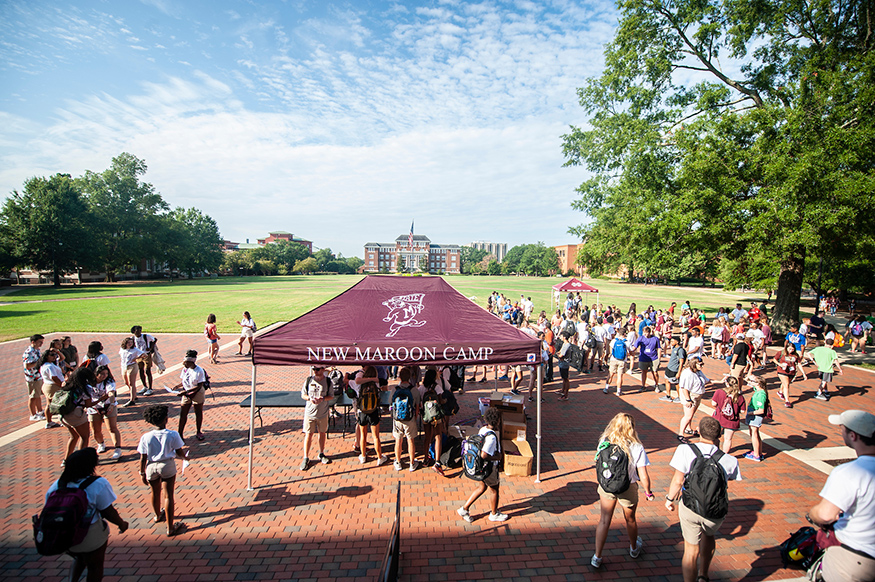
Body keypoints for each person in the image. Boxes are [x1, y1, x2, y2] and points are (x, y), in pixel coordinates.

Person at [665, 417, 742, 582]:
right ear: (718, 435)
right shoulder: (730, 460)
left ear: (698, 431)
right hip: (715, 510)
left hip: (691, 506)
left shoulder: (685, 450)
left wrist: (669, 499)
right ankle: (704, 575)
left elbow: (678, 480)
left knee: (690, 550)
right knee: (709, 536)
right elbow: (730, 479)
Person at [806, 410, 875, 582]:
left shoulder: (849, 472)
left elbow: (825, 514)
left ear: (853, 436)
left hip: (856, 558)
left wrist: (812, 514)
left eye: (842, 429)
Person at [44, 448, 129, 582]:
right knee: (95, 566)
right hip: (90, 534)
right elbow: (108, 511)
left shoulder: (57, 485)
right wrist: (121, 524)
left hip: (64, 535)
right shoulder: (98, 484)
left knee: (79, 557)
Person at [590, 413, 653, 569]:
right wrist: (648, 491)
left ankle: (597, 556)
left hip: (607, 485)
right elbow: (643, 474)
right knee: (630, 519)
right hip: (628, 486)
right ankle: (633, 547)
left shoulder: (604, 442)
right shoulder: (636, 446)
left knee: (604, 520)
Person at [137, 405, 186, 536]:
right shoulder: (172, 434)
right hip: (167, 465)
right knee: (168, 495)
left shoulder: (146, 436)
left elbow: (143, 457)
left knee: (154, 492)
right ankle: (170, 527)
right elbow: (179, 451)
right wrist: (184, 458)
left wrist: (142, 472)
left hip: (151, 466)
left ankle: (157, 515)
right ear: (166, 419)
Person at [457, 407, 508, 523]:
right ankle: (494, 514)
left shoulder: (483, 430)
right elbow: (484, 454)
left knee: (482, 487)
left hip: (479, 467)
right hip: (488, 468)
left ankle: (464, 508)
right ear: (497, 421)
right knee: (494, 489)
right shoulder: (492, 437)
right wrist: (497, 457)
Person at [60, 368, 110, 462]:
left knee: (74, 436)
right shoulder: (85, 388)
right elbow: (88, 405)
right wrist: (101, 399)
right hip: (76, 414)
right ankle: (80, 461)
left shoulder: (66, 384)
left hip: (63, 414)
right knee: (84, 437)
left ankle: (66, 460)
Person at [354, 366, 389, 466]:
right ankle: (380, 457)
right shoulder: (376, 383)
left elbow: (355, 381)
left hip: (363, 411)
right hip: (373, 411)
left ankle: (363, 456)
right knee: (376, 436)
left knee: (363, 435)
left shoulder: (361, 384)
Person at [87, 365, 123, 460]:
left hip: (108, 406)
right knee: (95, 430)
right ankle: (101, 443)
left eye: (106, 374)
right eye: (102, 374)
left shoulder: (109, 382)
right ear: (96, 374)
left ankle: (117, 448)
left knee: (112, 428)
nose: (104, 376)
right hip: (94, 407)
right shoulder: (89, 383)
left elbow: (111, 392)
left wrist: (111, 404)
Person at [300, 365, 332, 470]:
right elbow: (303, 395)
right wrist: (309, 398)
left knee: (322, 433)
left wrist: (322, 399)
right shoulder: (309, 380)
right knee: (308, 434)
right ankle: (306, 457)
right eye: (314, 369)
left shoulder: (328, 381)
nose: (315, 371)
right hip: (310, 413)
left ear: (323, 369)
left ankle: (321, 453)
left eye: (317, 369)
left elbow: (331, 396)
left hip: (322, 413)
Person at [171, 350, 206, 441]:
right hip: (186, 393)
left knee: (198, 412)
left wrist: (186, 392)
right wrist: (177, 386)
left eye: (186, 363)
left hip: (197, 393)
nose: (184, 364)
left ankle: (198, 431)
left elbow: (199, 386)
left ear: (192, 362)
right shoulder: (185, 369)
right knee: (183, 413)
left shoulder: (199, 371)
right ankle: (180, 433)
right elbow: (184, 380)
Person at [391, 367, 421, 472]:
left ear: (399, 377)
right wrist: (415, 418)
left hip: (398, 419)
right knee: (410, 440)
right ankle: (412, 463)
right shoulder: (414, 390)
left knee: (398, 440)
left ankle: (398, 462)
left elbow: (391, 405)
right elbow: (417, 407)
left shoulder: (394, 390)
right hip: (410, 418)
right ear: (410, 377)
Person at [711, 376, 745, 454]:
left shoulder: (719, 392)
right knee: (728, 439)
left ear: (727, 383)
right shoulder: (739, 397)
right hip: (732, 421)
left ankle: (715, 452)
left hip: (719, 417)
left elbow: (713, 403)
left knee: (715, 436)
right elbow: (742, 411)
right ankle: (724, 454)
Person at [677, 359, 710, 440]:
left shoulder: (698, 372)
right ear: (694, 364)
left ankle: (688, 429)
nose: (702, 366)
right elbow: (684, 388)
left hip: (698, 396)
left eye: (702, 364)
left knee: (691, 415)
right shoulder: (688, 374)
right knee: (688, 416)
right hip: (691, 396)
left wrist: (720, 381)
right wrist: (688, 400)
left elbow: (707, 381)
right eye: (700, 364)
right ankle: (681, 434)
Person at [744, 376, 770, 462]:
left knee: (754, 434)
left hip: (755, 415)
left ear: (758, 384)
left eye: (753, 381)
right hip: (753, 413)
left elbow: (761, 410)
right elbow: (747, 381)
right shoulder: (758, 390)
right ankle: (758, 451)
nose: (751, 382)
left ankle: (756, 455)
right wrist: (749, 377)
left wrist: (751, 413)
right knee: (754, 433)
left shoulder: (761, 395)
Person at [38, 348, 64, 429]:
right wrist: (62, 385)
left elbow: (62, 358)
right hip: (53, 386)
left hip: (47, 385)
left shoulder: (47, 364)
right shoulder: (49, 366)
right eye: (52, 355)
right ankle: (62, 420)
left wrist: (57, 351)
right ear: (46, 357)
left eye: (55, 355)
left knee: (49, 405)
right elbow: (54, 377)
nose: (54, 356)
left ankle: (49, 422)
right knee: (60, 403)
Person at [774, 343, 806, 408]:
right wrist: (780, 364)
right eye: (789, 349)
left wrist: (803, 373)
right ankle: (787, 401)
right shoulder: (781, 353)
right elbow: (775, 359)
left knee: (785, 383)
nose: (791, 350)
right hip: (782, 371)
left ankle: (780, 392)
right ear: (786, 348)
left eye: (792, 349)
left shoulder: (795, 355)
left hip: (791, 372)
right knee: (786, 385)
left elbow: (799, 364)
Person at [23, 333, 46, 422]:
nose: (41, 344)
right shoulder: (29, 352)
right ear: (33, 342)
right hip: (32, 378)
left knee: (37, 395)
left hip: (38, 376)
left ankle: (40, 411)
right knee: (33, 396)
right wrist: (39, 363)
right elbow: (27, 366)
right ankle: (33, 414)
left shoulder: (37, 350)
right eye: (40, 342)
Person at [632, 326, 661, 391]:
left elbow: (659, 348)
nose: (645, 334)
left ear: (649, 332)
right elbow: (634, 347)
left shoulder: (655, 339)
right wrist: (629, 351)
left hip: (653, 358)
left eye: (646, 333)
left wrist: (659, 358)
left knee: (655, 372)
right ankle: (643, 386)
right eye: (644, 333)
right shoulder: (640, 339)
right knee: (644, 371)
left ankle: (656, 385)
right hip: (643, 358)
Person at [118, 337, 144, 407]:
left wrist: (136, 358)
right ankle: (134, 395)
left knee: (131, 383)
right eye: (128, 343)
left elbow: (144, 355)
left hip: (132, 366)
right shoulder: (122, 349)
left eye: (131, 342)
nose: (130, 344)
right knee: (126, 382)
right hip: (124, 366)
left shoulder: (135, 350)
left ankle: (132, 400)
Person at [131, 326, 157, 397]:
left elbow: (154, 339)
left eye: (140, 330)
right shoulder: (132, 338)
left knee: (147, 370)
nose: (139, 331)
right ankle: (145, 386)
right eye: (137, 330)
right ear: (134, 332)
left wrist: (150, 348)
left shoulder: (146, 336)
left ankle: (150, 388)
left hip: (146, 355)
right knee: (141, 370)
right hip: (139, 356)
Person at [604, 327, 630, 396]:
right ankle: (619, 391)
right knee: (620, 376)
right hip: (622, 360)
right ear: (624, 334)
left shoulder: (614, 341)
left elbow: (610, 349)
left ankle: (606, 388)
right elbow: (629, 351)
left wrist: (611, 355)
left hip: (614, 359)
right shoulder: (626, 342)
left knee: (611, 374)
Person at [661, 336, 687, 403]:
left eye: (672, 341)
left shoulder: (680, 350)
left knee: (676, 383)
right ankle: (668, 395)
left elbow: (681, 362)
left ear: (677, 342)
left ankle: (679, 397)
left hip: (674, 369)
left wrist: (679, 372)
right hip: (669, 368)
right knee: (667, 381)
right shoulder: (674, 348)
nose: (671, 343)